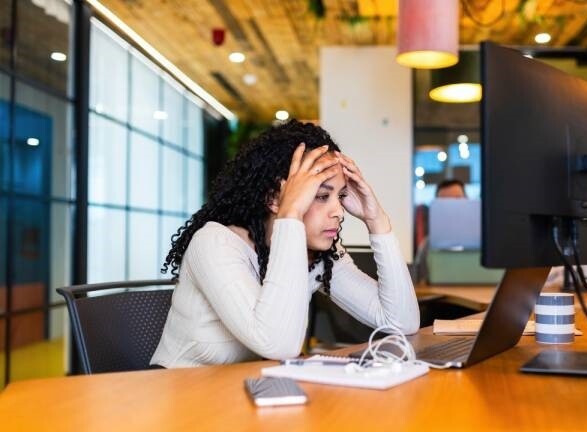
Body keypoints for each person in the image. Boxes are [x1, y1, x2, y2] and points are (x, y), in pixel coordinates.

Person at [150, 120, 419, 368]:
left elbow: (401, 322)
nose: (339, 211)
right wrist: (290, 213)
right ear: (274, 198)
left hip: (244, 391)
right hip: (179, 392)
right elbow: (279, 346)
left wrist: (377, 220)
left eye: (341, 196)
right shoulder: (214, 243)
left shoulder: (316, 254)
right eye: (321, 196)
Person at [413, 179, 467, 283]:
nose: (452, 208)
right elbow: (420, 281)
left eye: (457, 200)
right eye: (445, 204)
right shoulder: (428, 245)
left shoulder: (485, 241)